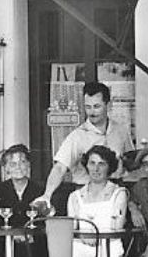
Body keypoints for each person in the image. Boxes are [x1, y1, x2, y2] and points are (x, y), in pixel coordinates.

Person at [35, 82, 135, 212]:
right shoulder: (77, 136)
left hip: (116, 194)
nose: (92, 112)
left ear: (108, 105)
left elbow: (130, 162)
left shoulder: (120, 131)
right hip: (86, 196)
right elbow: (60, 168)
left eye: (96, 106)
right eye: (88, 107)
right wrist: (47, 195)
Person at [65, 144, 130, 257]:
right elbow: (73, 229)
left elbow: (117, 227)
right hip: (82, 246)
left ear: (109, 167)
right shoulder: (75, 196)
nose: (96, 168)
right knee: (69, 253)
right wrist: (83, 237)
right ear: (86, 166)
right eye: (92, 163)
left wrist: (95, 237)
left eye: (102, 164)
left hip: (107, 248)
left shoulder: (119, 193)